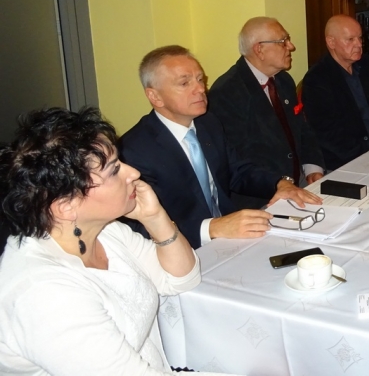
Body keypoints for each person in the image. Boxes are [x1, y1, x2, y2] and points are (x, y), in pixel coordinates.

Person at [0, 107, 235, 375]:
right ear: (66, 206)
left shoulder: (105, 231)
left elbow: (182, 278)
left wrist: (155, 217)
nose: (133, 172)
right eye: (114, 170)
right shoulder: (44, 296)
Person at [119, 45, 321, 249]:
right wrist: (212, 228)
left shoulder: (207, 122)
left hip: (230, 238)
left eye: (200, 79)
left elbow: (237, 171)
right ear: (155, 96)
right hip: (182, 249)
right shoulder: (134, 151)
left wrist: (280, 183)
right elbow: (136, 227)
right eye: (184, 83)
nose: (200, 89)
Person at [208, 17, 325, 189]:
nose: (291, 46)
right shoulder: (227, 92)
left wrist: (312, 167)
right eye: (283, 41)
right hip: (262, 191)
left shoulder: (284, 80)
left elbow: (302, 129)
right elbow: (238, 161)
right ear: (259, 49)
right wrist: (279, 184)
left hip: (299, 178)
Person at [302, 15, 369, 171]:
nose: (359, 44)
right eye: (350, 39)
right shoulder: (317, 79)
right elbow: (328, 133)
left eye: (360, 38)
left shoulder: (365, 64)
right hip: (348, 160)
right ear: (331, 42)